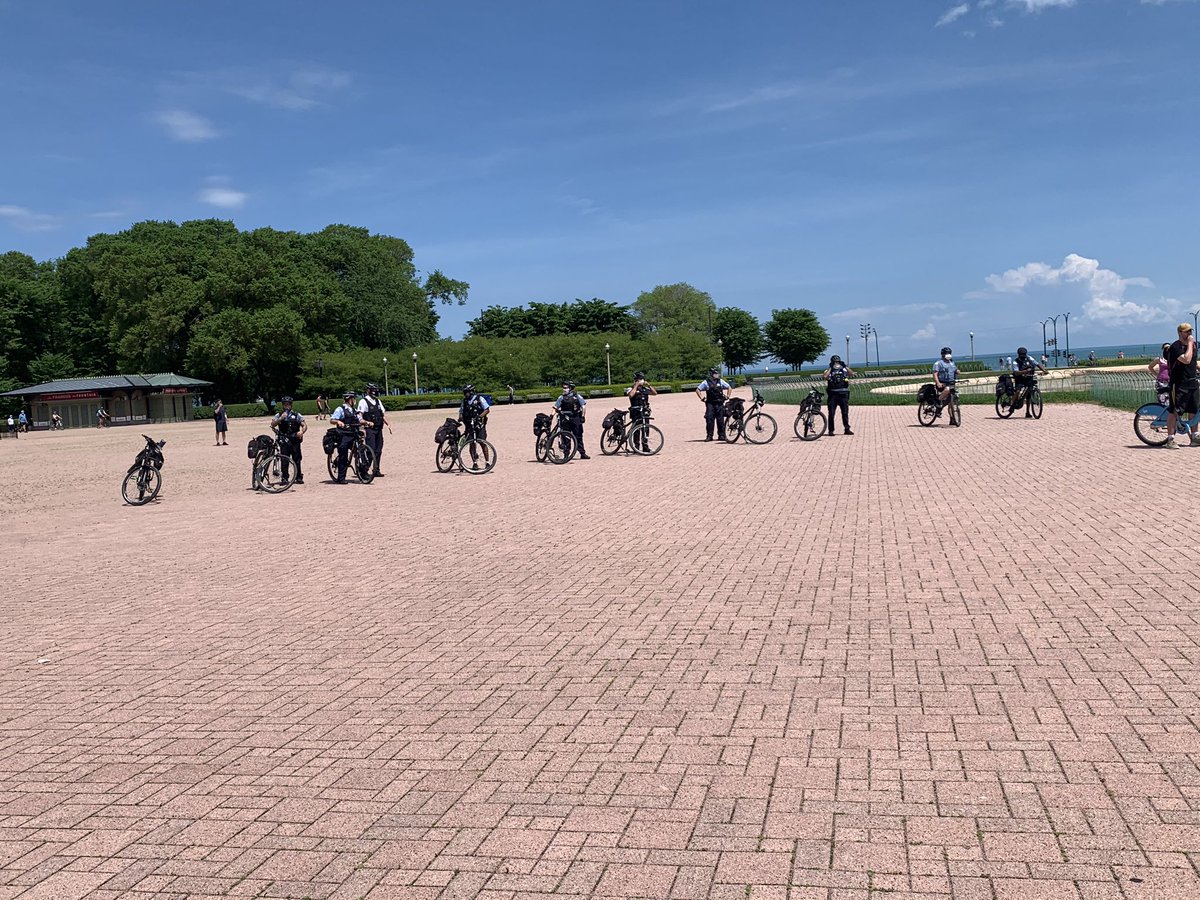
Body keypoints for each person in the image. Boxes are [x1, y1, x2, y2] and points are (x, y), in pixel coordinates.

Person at [1164, 323, 1199, 450]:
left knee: (1193, 410)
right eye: (1186, 332)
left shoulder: (1193, 346)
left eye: (1190, 331)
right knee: (1174, 411)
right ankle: (1170, 439)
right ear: (1180, 333)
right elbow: (1186, 359)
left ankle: (1194, 436)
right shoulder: (1176, 347)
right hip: (1179, 383)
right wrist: (1190, 344)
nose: (1189, 334)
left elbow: (1193, 362)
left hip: (1192, 382)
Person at [271, 396, 308, 484]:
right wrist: (280, 419)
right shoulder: (279, 415)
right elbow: (272, 424)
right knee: (284, 459)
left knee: (297, 458)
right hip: (284, 440)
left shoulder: (297, 415)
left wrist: (302, 431)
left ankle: (298, 476)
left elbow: (304, 425)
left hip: (295, 439)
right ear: (283, 405)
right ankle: (284, 477)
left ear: (291, 405)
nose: (287, 406)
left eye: (288, 404)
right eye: (285, 404)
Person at [330, 390, 364, 482]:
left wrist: (366, 422)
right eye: (353, 399)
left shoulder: (354, 410)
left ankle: (363, 474)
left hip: (353, 434)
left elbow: (360, 419)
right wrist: (338, 422)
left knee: (360, 452)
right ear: (349, 399)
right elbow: (332, 420)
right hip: (344, 435)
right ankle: (341, 478)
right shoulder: (340, 409)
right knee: (343, 455)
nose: (355, 400)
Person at [357, 383, 390, 477]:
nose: (374, 392)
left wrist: (388, 424)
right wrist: (365, 423)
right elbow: (360, 416)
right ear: (368, 391)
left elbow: (382, 414)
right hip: (369, 429)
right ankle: (364, 469)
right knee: (371, 450)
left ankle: (376, 469)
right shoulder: (363, 402)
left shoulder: (378, 401)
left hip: (379, 429)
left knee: (378, 450)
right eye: (372, 390)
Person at [459, 384, 492, 466]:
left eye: (466, 392)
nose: (465, 394)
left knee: (482, 442)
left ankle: (487, 462)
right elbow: (461, 411)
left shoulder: (479, 399)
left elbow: (487, 410)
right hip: (469, 425)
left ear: (471, 392)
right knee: (472, 444)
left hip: (479, 425)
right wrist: (461, 418)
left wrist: (479, 416)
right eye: (464, 392)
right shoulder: (464, 401)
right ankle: (475, 462)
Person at [554, 381, 589, 459]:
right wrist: (551, 416)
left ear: (570, 388)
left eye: (565, 387)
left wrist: (583, 416)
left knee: (578, 435)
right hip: (565, 418)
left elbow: (583, 406)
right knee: (566, 436)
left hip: (576, 417)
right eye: (563, 387)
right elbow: (555, 407)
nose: (564, 389)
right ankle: (566, 454)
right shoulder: (561, 397)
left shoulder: (577, 396)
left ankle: (582, 453)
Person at [695, 367, 731, 441]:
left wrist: (727, 396)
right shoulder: (706, 382)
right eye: (715, 373)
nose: (717, 375)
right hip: (710, 403)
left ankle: (721, 435)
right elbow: (698, 390)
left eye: (717, 373)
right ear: (711, 374)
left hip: (719, 403)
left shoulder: (720, 381)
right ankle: (709, 436)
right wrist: (702, 398)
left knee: (720, 420)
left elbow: (729, 387)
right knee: (709, 419)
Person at [625, 372, 658, 451]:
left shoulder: (644, 389)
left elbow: (655, 393)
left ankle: (645, 446)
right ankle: (636, 447)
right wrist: (636, 386)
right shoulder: (631, 388)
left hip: (644, 411)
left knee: (645, 429)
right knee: (636, 429)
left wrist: (649, 385)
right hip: (636, 411)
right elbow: (630, 395)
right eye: (640, 379)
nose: (641, 381)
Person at [1011, 347, 1048, 418]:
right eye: (1022, 354)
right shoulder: (1015, 361)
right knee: (1018, 390)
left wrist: (1044, 370)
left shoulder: (1029, 358)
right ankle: (1012, 405)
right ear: (1018, 354)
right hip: (1020, 379)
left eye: (1024, 354)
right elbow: (1016, 372)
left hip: (1029, 378)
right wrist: (1024, 372)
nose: (1023, 356)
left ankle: (1027, 412)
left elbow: (1037, 364)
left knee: (1028, 395)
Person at [822, 355, 854, 435]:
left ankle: (847, 428)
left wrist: (845, 366)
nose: (836, 364)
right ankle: (831, 430)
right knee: (831, 413)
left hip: (843, 394)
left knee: (845, 412)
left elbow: (852, 374)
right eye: (834, 362)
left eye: (837, 362)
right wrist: (830, 368)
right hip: (833, 395)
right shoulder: (829, 370)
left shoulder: (843, 369)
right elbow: (825, 376)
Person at [933, 347, 959, 426]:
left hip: (951, 383)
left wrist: (957, 371)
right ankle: (938, 401)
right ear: (942, 354)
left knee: (951, 403)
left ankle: (952, 419)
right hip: (942, 384)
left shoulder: (952, 363)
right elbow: (935, 374)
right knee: (947, 389)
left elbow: (955, 370)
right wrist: (938, 383)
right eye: (946, 353)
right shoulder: (938, 363)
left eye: (949, 353)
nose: (948, 355)